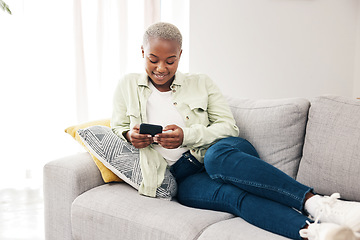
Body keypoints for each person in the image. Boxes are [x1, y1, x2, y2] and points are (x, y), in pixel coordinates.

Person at [111, 22, 360, 240]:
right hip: (184, 176)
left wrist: (186, 136)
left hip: (223, 153)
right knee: (236, 198)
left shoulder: (201, 82)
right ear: (143, 52)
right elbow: (118, 126)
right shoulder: (127, 85)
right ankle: (316, 233)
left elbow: (228, 127)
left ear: (180, 55)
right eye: (153, 59)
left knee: (215, 158)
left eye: (170, 60)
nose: (162, 68)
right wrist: (129, 136)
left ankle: (319, 204)